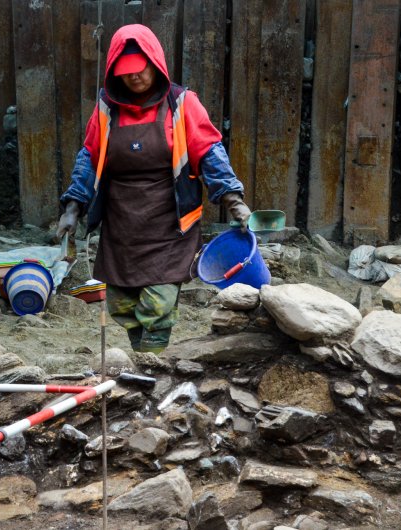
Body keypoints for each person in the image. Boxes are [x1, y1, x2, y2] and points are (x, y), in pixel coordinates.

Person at [56, 23, 250, 354]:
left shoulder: (182, 103)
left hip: (169, 220)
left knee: (159, 302)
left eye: (140, 69)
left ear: (155, 63)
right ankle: (142, 354)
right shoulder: (106, 108)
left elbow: (209, 151)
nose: (135, 78)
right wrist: (73, 207)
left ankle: (151, 361)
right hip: (122, 221)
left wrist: (233, 199)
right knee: (120, 302)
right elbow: (89, 156)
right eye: (126, 72)